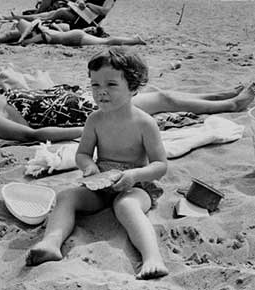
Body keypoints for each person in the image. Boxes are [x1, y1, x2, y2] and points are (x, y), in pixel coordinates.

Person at [25, 47, 169, 279]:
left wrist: (134, 176)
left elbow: (160, 166)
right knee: (66, 196)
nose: (101, 92)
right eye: (95, 85)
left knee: (126, 207)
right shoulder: (94, 120)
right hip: (99, 184)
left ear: (133, 88)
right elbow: (82, 154)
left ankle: (152, 257)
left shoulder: (144, 123)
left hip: (136, 186)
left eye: (111, 85)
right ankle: (51, 243)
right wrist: (89, 167)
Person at [0, 77, 255, 141]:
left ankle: (221, 94)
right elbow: (33, 134)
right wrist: (87, 131)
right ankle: (231, 103)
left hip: (83, 98)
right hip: (89, 113)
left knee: (158, 95)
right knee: (162, 100)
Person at [0, 18, 144, 46]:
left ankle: (133, 40)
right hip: (59, 38)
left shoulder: (30, 25)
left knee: (105, 43)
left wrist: (22, 41)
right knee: (9, 36)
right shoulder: (41, 28)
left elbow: (34, 25)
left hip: (68, 37)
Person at [0, 0, 116, 30]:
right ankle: (12, 17)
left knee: (56, 13)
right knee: (50, 13)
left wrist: (87, 4)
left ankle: (15, 17)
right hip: (81, 14)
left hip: (88, 20)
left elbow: (104, 11)